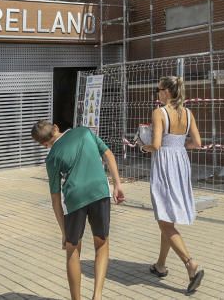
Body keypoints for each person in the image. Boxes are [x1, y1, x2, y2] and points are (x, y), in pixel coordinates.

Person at [32, 119, 126, 300]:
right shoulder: (84, 132)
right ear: (56, 128)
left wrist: (64, 232)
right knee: (102, 243)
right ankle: (97, 295)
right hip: (100, 191)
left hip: (75, 199)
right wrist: (117, 185)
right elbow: (109, 154)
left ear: (44, 145)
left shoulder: (51, 158)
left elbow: (55, 198)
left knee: (72, 250)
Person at [141, 75, 205, 295]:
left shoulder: (159, 112)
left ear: (166, 92)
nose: (157, 94)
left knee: (164, 220)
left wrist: (143, 146)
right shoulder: (188, 113)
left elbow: (156, 145)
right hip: (181, 162)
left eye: (158, 90)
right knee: (168, 218)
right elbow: (197, 143)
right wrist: (179, 145)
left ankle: (190, 263)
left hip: (165, 165)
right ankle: (160, 265)